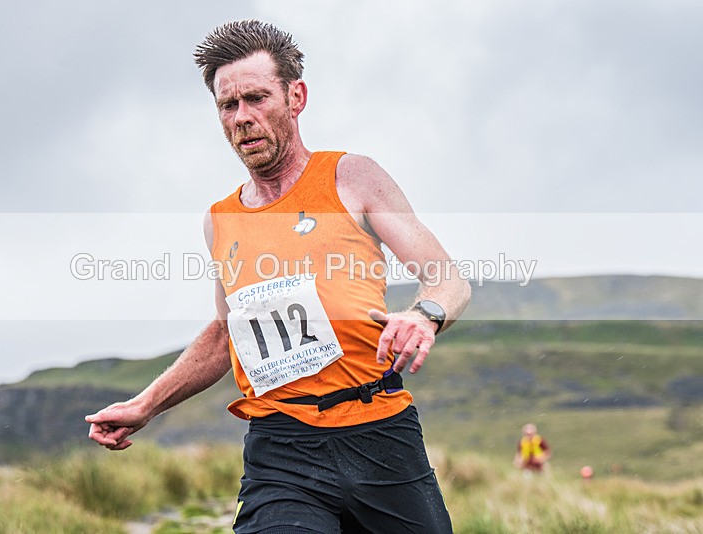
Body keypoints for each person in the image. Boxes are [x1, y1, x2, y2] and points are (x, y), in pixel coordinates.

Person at [86, 20, 471, 533]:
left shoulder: (351, 178)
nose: (242, 117)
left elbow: (447, 278)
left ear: (296, 97)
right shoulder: (221, 220)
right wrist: (146, 404)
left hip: (379, 432)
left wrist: (424, 316)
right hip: (282, 447)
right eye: (229, 105)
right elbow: (227, 335)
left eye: (256, 98)